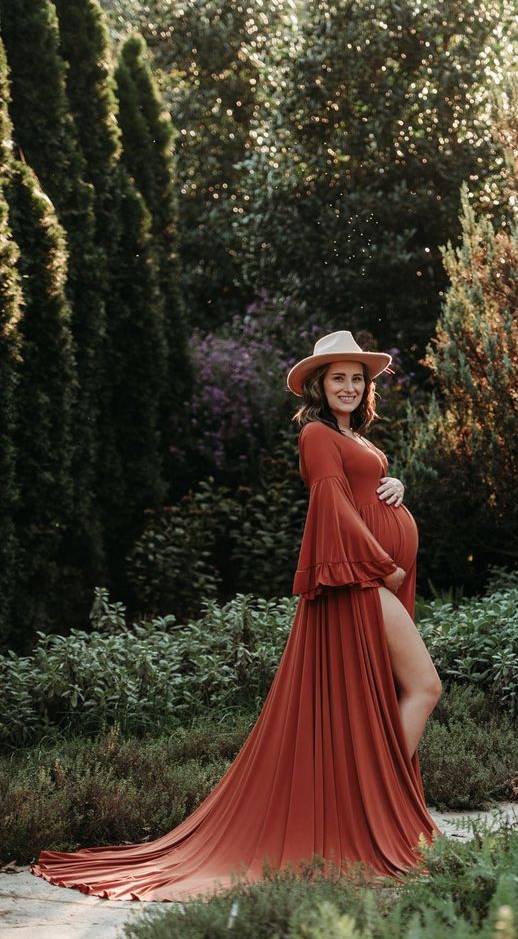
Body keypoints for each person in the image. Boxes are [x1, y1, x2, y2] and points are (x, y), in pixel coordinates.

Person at [30, 330, 444, 902]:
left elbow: (361, 491)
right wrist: (384, 567)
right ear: (320, 386)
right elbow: (330, 503)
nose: (348, 386)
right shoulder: (317, 434)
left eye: (356, 378)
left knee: (389, 695)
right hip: (357, 579)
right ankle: (375, 804)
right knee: (424, 686)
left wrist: (392, 482)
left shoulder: (354, 436)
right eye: (338, 377)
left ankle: (372, 804)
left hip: (370, 577)